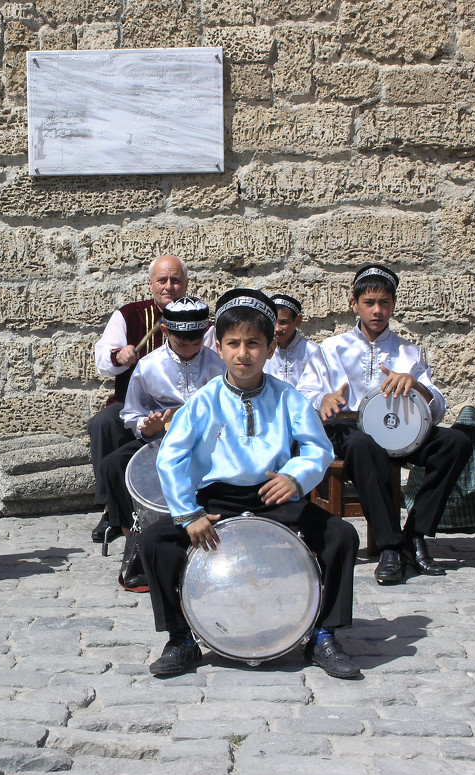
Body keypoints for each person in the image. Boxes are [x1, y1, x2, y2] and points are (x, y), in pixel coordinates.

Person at [138, 288, 361, 679]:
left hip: (274, 496)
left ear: (270, 348)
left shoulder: (288, 397)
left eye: (254, 343)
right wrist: (189, 513)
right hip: (215, 500)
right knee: (155, 541)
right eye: (234, 343)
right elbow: (171, 456)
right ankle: (181, 639)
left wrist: (295, 476)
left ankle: (324, 634)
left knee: (341, 535)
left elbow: (318, 448)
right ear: (219, 348)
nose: (244, 353)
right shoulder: (203, 401)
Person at [299, 265, 473, 585]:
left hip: (402, 426)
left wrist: (416, 385)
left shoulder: (409, 351)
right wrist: (323, 399)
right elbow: (305, 393)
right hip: (349, 428)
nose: (377, 310)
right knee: (365, 446)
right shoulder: (330, 349)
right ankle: (391, 546)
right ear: (354, 304)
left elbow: (436, 408)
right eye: (369, 302)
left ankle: (415, 534)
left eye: (384, 302)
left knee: (456, 443)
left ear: (393, 305)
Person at [97, 297, 225, 542]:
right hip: (161, 439)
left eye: (196, 344)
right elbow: (131, 413)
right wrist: (147, 427)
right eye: (181, 344)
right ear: (165, 331)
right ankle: (133, 540)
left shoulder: (217, 364)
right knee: (113, 466)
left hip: (209, 441)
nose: (189, 351)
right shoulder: (148, 365)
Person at [88, 254, 188, 542]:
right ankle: (112, 510)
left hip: (181, 408)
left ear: (185, 284)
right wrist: (119, 357)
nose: (169, 286)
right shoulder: (128, 315)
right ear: (151, 284)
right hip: (132, 404)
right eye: (162, 280)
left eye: (176, 280)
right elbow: (102, 361)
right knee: (104, 423)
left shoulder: (198, 316)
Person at [264, 292, 319, 386]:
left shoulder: (314, 352)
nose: (277, 329)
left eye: (283, 322)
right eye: (273, 322)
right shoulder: (264, 352)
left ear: (297, 321)